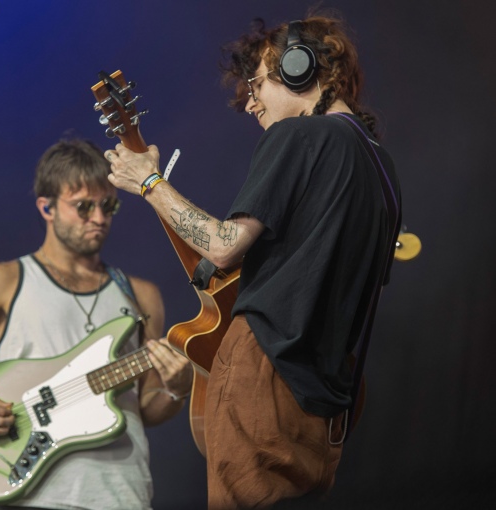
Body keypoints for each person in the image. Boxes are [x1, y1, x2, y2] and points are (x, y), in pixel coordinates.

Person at [105, 15, 402, 509]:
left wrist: (149, 183)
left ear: (301, 69)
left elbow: (223, 245)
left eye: (257, 83)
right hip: (327, 403)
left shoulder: (298, 136)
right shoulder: (381, 167)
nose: (249, 101)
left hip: (262, 375)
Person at [0, 138, 193, 510]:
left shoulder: (143, 295)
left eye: (109, 205)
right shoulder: (3, 279)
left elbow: (148, 408)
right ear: (46, 207)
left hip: (122, 494)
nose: (100, 218)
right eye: (83, 207)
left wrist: (177, 390)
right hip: (30, 492)